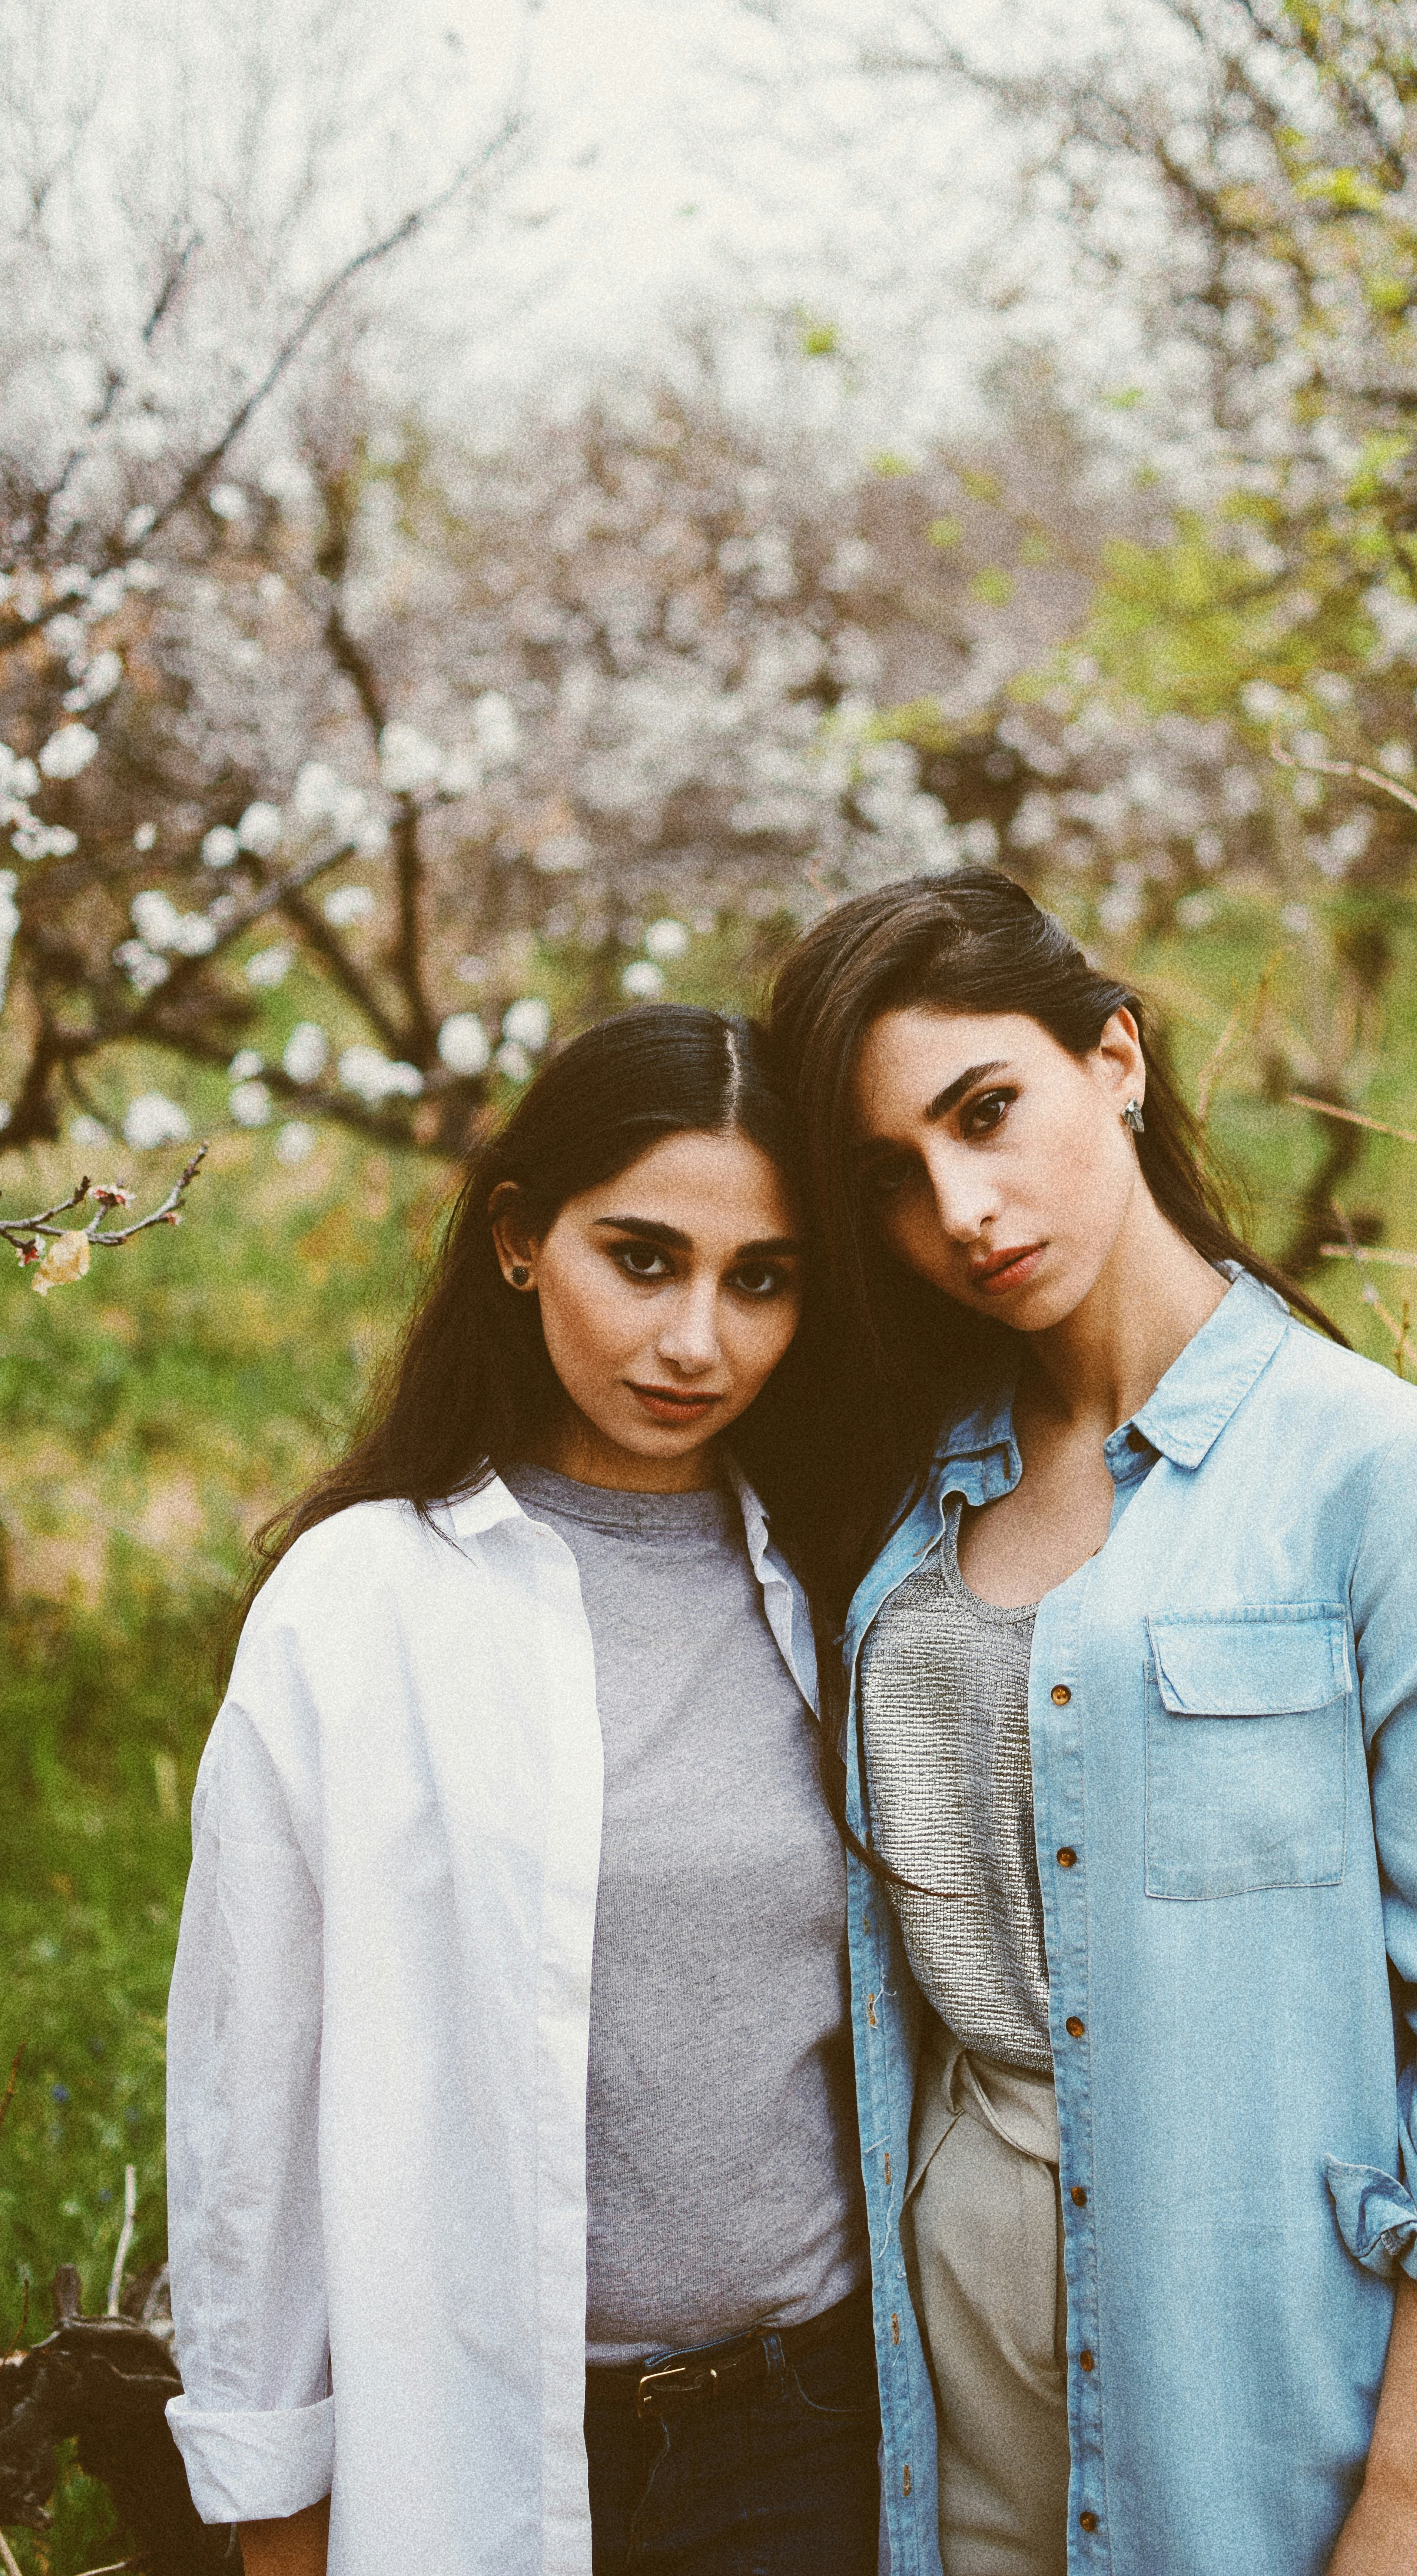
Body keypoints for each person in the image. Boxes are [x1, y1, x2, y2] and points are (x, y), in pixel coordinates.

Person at [763, 869, 1417, 2576]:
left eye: (987, 1112)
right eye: (893, 1181)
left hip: (1265, 2369)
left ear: (1114, 1057)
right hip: (949, 2357)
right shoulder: (894, 1494)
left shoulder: (1378, 1472)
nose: (966, 1208)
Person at [164, 1005, 881, 2576]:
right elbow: (250, 2090)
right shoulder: (359, 1607)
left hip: (809, 2440)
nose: (698, 1340)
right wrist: (275, 2505)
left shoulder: (853, 1581)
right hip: (472, 2438)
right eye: (642, 1258)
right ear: (515, 1240)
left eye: (759, 1281)